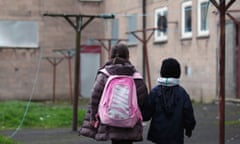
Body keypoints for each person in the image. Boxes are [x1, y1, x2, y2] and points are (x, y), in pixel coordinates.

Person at [79, 43, 148, 144]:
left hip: (110, 120)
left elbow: (95, 97)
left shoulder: (104, 75)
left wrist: (93, 116)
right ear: (128, 56)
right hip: (130, 121)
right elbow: (143, 99)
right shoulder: (135, 76)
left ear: (109, 56)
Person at [142, 57, 196, 144]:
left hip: (158, 135)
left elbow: (146, 114)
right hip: (176, 136)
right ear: (178, 73)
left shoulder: (155, 92)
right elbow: (188, 113)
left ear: (162, 72)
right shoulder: (182, 93)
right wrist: (189, 128)